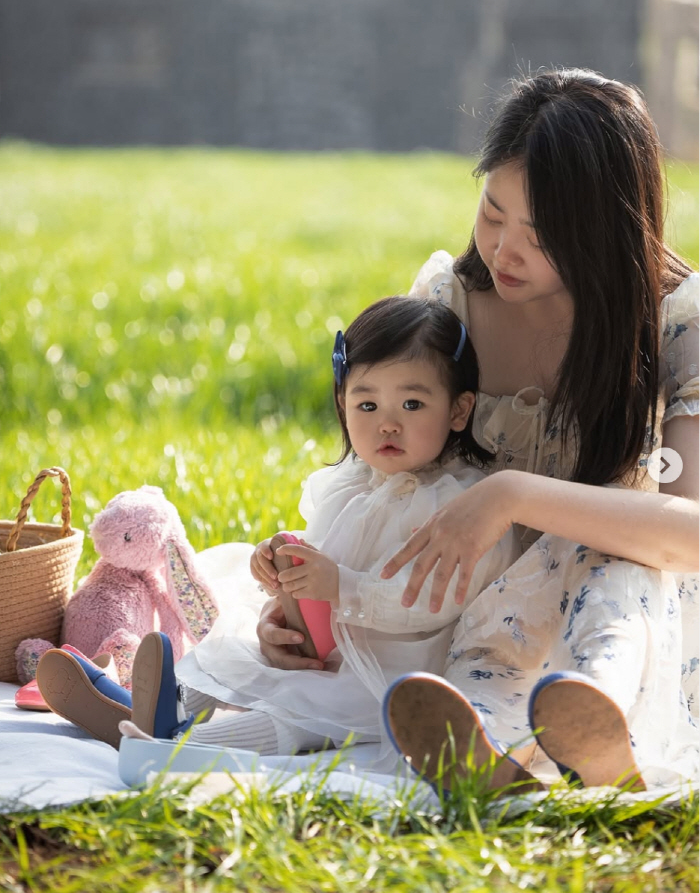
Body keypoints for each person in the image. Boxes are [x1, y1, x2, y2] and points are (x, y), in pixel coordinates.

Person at [256, 68, 699, 792]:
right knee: (482, 651)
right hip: (467, 611)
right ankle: (485, 751)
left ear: (605, 230)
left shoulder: (675, 321)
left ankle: (598, 727)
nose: (504, 252)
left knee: (613, 570)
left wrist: (511, 497)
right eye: (492, 211)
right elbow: (382, 475)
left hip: (627, 606)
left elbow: (690, 534)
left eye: (540, 235)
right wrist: (305, 608)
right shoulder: (449, 305)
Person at [37, 295, 519, 760]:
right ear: (343, 402)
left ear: (458, 409)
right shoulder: (351, 483)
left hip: (382, 671)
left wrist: (343, 587)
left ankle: (174, 744)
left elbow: (437, 598)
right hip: (320, 647)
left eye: (411, 405)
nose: (387, 425)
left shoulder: (461, 504)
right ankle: (147, 706)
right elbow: (325, 554)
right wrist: (281, 581)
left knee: (297, 718)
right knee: (237, 656)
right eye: (367, 406)